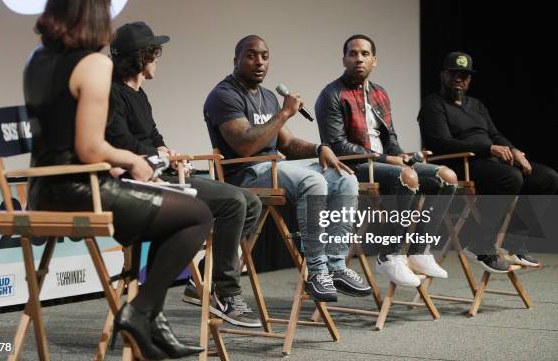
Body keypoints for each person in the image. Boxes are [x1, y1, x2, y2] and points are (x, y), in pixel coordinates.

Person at [23, 0, 210, 360]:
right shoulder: (94, 64)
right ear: (97, 11)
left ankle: (149, 318)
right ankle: (142, 312)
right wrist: (133, 160)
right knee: (196, 214)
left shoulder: (34, 59)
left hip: (41, 191)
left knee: (172, 213)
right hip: (79, 190)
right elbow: (90, 149)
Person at [105, 21, 263, 328]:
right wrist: (159, 156)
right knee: (233, 201)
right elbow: (120, 142)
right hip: (137, 182)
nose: (157, 60)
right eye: (154, 53)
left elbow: (152, 134)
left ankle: (203, 278)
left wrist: (169, 154)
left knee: (251, 202)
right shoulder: (112, 94)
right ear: (141, 57)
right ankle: (227, 293)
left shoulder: (139, 94)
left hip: (160, 173)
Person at [203, 35, 370, 303]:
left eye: (265, 56)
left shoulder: (268, 96)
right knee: (312, 182)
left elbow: (289, 143)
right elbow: (245, 146)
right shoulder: (224, 95)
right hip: (245, 174)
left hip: (272, 168)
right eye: (251, 55)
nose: (259, 62)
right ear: (236, 60)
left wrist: (318, 148)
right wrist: (283, 114)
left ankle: (336, 266)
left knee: (344, 177)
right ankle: (317, 272)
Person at [315, 34, 458, 287]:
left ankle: (419, 250)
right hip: (354, 165)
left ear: (374, 60)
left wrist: (401, 155)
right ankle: (390, 255)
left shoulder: (380, 93)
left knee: (447, 177)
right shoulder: (332, 94)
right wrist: (388, 159)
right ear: (344, 59)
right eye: (353, 53)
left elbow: (389, 137)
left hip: (383, 162)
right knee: (407, 177)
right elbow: (338, 146)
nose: (359, 58)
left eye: (365, 54)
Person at [418, 51, 558, 271]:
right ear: (443, 75)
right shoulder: (433, 104)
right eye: (453, 73)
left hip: (490, 163)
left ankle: (514, 243)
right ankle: (480, 244)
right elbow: (441, 144)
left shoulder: (476, 105)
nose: (459, 78)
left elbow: (495, 134)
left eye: (464, 75)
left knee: (547, 178)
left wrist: (514, 150)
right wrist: (488, 148)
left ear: (470, 79)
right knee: (510, 178)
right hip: (459, 165)